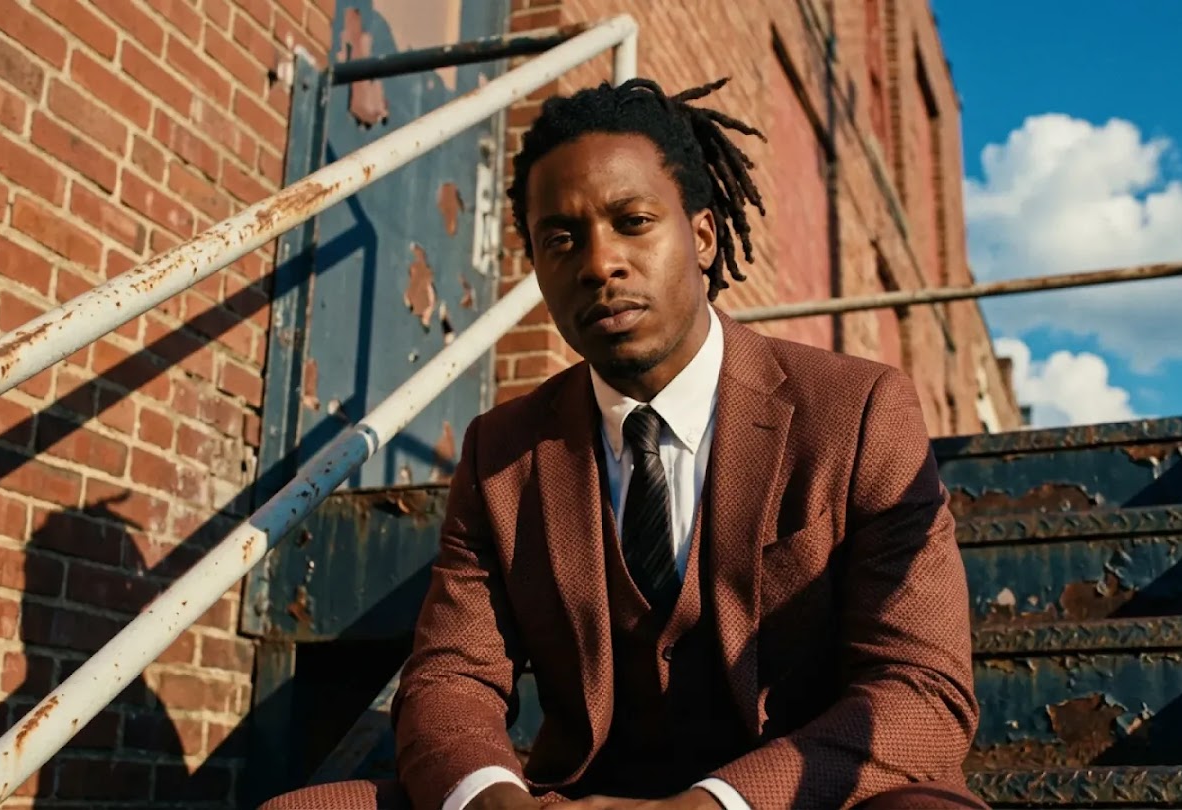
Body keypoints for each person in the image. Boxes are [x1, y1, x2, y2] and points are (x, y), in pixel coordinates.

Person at [262, 77, 986, 810]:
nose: (598, 263)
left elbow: (923, 692)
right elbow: (452, 676)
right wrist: (492, 802)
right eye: (561, 238)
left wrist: (713, 806)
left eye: (633, 221)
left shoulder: (858, 411)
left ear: (702, 237)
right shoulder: (501, 454)